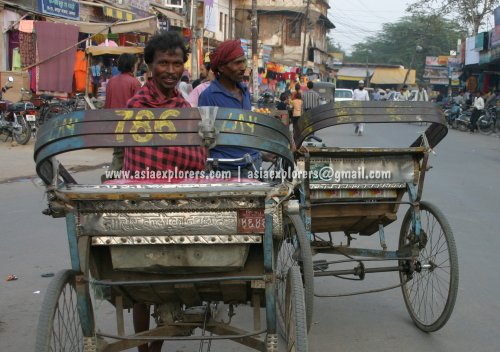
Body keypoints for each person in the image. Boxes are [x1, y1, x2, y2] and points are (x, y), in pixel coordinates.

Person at [122, 31, 207, 352]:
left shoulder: (185, 107)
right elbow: (134, 160)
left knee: (169, 284)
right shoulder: (137, 104)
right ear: (150, 65)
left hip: (180, 203)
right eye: (163, 63)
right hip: (140, 203)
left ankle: (155, 347)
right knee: (143, 287)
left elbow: (197, 159)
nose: (170, 70)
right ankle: (145, 348)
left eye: (175, 64)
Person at [198, 39, 261, 176]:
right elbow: (205, 140)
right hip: (226, 169)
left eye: (244, 61)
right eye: (237, 63)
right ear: (221, 67)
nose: (243, 67)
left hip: (253, 164)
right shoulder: (209, 96)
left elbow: (246, 130)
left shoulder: (244, 91)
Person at [104, 53, 142, 175]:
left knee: (119, 153)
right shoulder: (134, 82)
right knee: (126, 155)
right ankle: (112, 177)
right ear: (132, 66)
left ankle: (115, 177)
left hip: (114, 123)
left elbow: (107, 104)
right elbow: (138, 108)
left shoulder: (111, 81)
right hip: (129, 125)